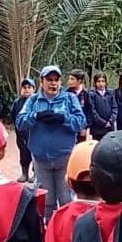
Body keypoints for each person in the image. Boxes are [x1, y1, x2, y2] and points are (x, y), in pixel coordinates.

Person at [17, 65, 87, 224]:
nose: (53, 83)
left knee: (66, 198)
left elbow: (81, 122)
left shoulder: (70, 99)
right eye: (49, 79)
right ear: (41, 82)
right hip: (41, 160)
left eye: (56, 80)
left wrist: (64, 119)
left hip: (64, 158)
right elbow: (20, 122)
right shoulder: (33, 100)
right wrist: (36, 116)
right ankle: (47, 229)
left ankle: (67, 229)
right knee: (46, 199)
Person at [10, 78, 36, 183]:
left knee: (35, 154)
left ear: (33, 89)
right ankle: (24, 173)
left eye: (29, 87)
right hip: (21, 135)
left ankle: (36, 173)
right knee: (23, 154)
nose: (26, 90)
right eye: (24, 87)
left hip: (34, 134)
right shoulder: (17, 102)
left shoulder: (37, 101)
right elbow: (13, 116)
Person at [87, 73, 118, 140]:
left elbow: (114, 107)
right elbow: (92, 111)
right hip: (97, 129)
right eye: (98, 81)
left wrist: (110, 121)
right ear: (95, 82)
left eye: (103, 81)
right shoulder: (91, 94)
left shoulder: (110, 92)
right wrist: (103, 122)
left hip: (110, 128)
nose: (101, 84)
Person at [68, 70, 93, 140]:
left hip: (82, 129)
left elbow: (89, 112)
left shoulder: (85, 94)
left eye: (72, 79)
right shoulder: (66, 94)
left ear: (79, 81)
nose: (69, 81)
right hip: (69, 128)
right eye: (69, 79)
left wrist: (85, 127)